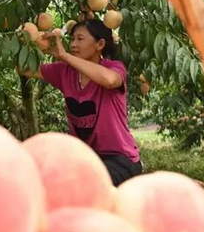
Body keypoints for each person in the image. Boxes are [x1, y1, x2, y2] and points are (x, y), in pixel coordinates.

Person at [19, 19, 143, 186]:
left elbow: (110, 80)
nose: (73, 44)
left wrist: (65, 56)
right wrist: (30, 43)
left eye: (80, 39)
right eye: (72, 39)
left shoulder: (114, 67)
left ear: (100, 44)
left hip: (119, 157)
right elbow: (24, 69)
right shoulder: (64, 71)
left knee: (91, 188)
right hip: (84, 157)